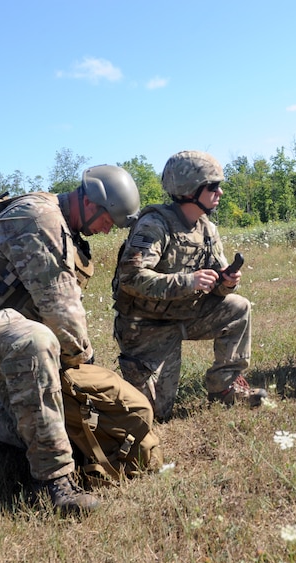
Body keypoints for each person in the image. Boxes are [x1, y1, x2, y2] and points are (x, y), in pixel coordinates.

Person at [0, 164, 141, 514]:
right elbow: (60, 311)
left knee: (38, 430)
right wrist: (84, 367)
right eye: (108, 220)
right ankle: (54, 483)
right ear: (90, 204)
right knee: (37, 341)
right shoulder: (40, 220)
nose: (107, 230)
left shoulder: (59, 224)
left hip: (9, 333)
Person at [112, 150, 266, 423]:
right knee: (152, 415)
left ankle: (225, 388)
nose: (219, 192)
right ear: (190, 189)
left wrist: (225, 283)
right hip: (148, 325)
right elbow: (131, 278)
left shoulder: (207, 229)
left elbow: (215, 283)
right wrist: (189, 281)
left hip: (186, 314)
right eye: (213, 186)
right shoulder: (154, 224)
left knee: (237, 306)